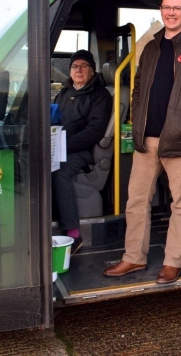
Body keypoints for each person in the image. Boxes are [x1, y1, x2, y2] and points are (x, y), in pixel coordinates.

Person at [103, 0, 181, 284]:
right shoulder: (151, 48)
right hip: (147, 140)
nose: (171, 13)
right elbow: (139, 87)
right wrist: (137, 120)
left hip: (179, 140)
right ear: (161, 11)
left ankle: (173, 261)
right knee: (136, 201)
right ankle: (133, 258)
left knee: (180, 202)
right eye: (167, 7)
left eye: (177, 8)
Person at [52, 49, 113, 254]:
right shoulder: (64, 92)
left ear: (92, 70)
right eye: (74, 66)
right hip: (59, 146)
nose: (78, 70)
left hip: (83, 151)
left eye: (83, 66)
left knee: (60, 172)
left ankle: (73, 234)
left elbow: (94, 132)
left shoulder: (100, 96)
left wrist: (62, 146)